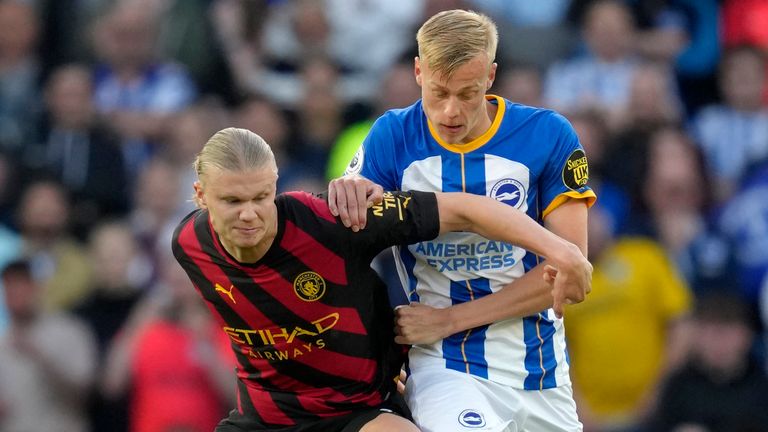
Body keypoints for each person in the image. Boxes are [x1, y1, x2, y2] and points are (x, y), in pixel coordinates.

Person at [171, 127, 592, 432]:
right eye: (232, 201)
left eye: (261, 197)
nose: (250, 214)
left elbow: (466, 210)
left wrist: (562, 250)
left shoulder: (331, 222)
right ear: (200, 195)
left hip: (359, 413)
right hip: (263, 420)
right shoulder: (188, 245)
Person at [329, 9, 595, 431]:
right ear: (418, 71)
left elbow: (567, 272)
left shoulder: (548, 135)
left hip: (540, 369)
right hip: (444, 365)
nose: (451, 110)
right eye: (439, 92)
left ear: (490, 76)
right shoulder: (392, 136)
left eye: (467, 94)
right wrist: (346, 191)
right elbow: (342, 236)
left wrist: (452, 319)